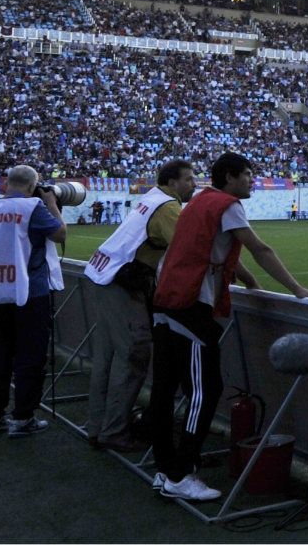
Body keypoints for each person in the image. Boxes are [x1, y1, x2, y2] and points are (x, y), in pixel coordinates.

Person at [147, 152, 308, 502]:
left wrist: (252, 284)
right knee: (204, 389)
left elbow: (218, 252)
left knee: (165, 389)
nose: (252, 180)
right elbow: (260, 248)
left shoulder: (198, 202)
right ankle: (180, 474)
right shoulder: (227, 205)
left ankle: (165, 470)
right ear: (229, 177)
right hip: (188, 303)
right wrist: (296, 289)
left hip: (165, 298)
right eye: (248, 174)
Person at [80, 159, 196, 454]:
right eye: (189, 179)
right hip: (122, 282)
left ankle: (98, 427)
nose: (193, 184)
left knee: (107, 358)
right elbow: (188, 249)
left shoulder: (151, 197)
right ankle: (114, 431)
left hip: (103, 276)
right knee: (135, 351)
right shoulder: (169, 206)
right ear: (172, 183)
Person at [0, 164, 66, 438]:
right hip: (29, 293)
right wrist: (51, 204)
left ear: (6, 183)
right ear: (33, 186)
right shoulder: (33, 207)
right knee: (30, 355)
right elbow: (60, 234)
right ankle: (22, 417)